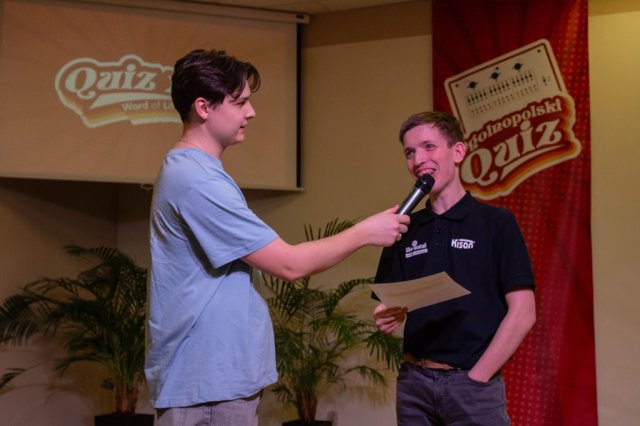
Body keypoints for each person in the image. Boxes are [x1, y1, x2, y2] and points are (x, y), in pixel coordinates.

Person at [144, 49, 409, 426]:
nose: (251, 112)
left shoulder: (199, 172)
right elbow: (288, 264)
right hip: (205, 384)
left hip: (214, 379)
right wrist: (366, 232)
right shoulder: (195, 179)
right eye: (240, 102)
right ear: (203, 107)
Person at [373, 111, 536, 425]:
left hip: (473, 385)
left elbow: (524, 312)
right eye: (410, 152)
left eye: (428, 147)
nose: (419, 159)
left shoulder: (496, 223)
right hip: (414, 386)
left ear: (458, 151)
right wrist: (386, 313)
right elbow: (391, 303)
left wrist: (478, 377)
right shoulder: (403, 227)